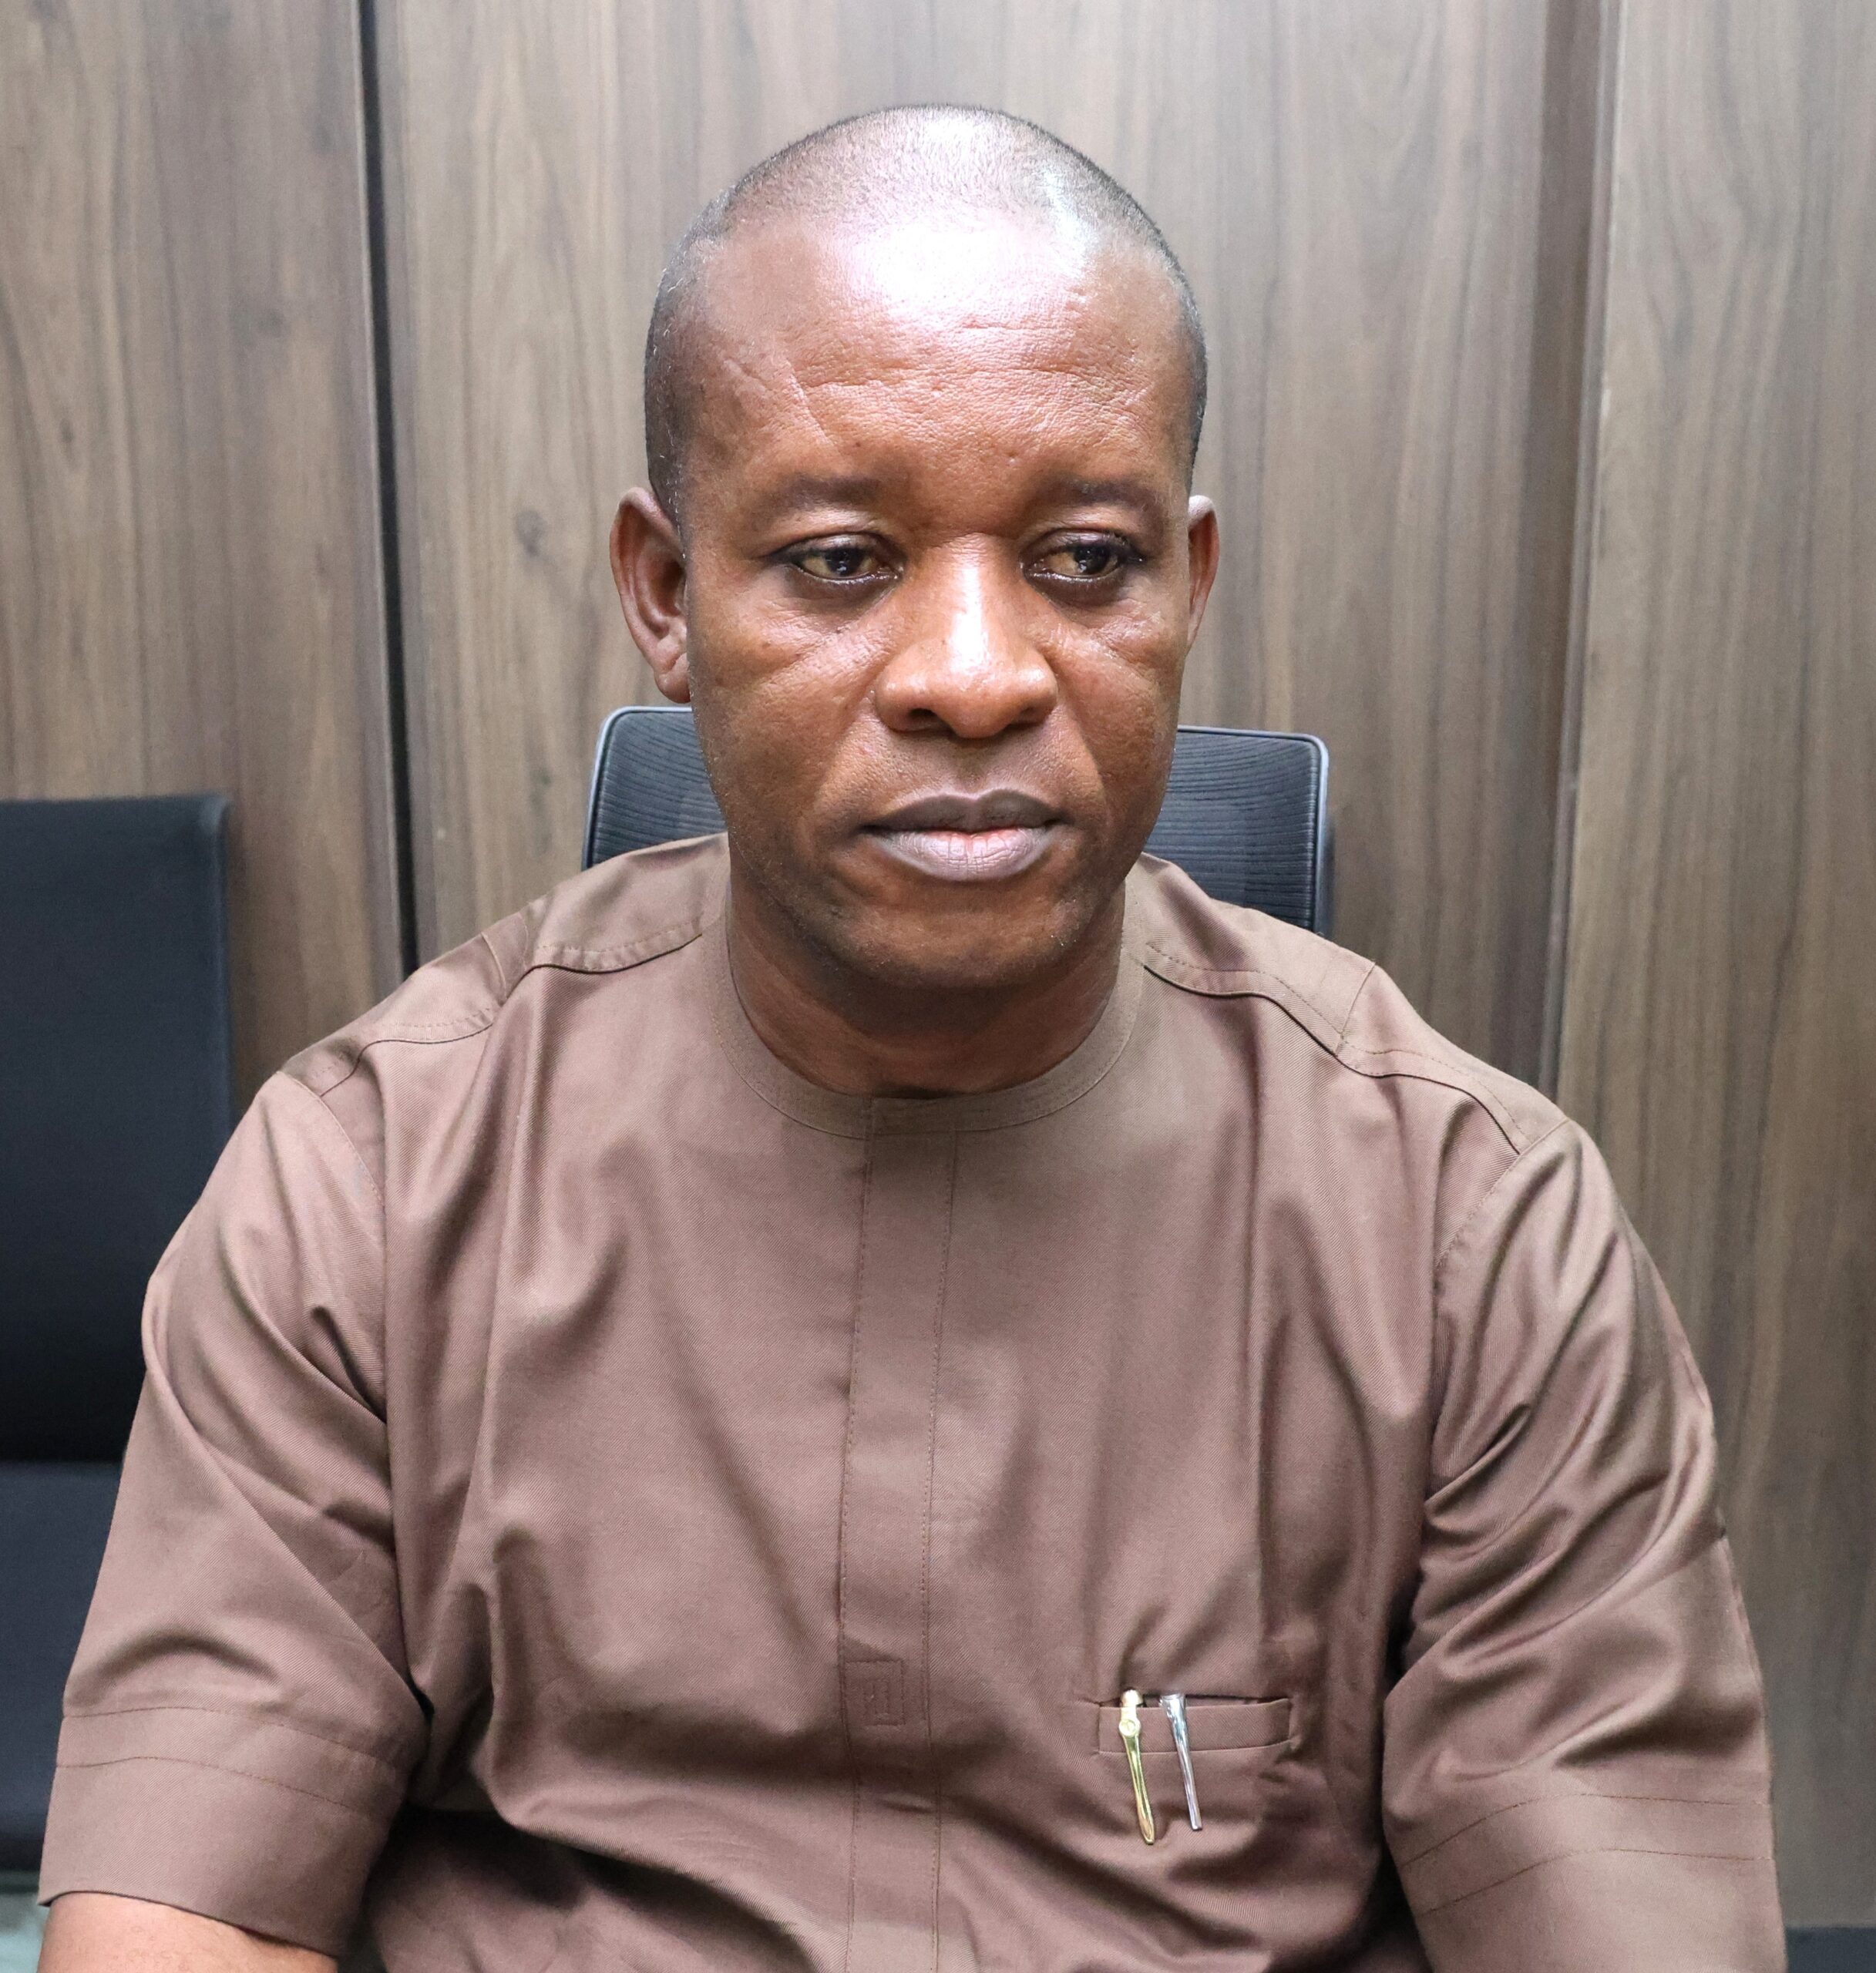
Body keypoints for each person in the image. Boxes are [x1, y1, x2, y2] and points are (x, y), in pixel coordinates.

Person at [39, 106, 1784, 1972]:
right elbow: (183, 1922)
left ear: (1186, 585)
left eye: (1085, 559)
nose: (974, 673)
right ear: (665, 594)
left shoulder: (1473, 1235)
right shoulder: (368, 1184)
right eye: (841, 560)